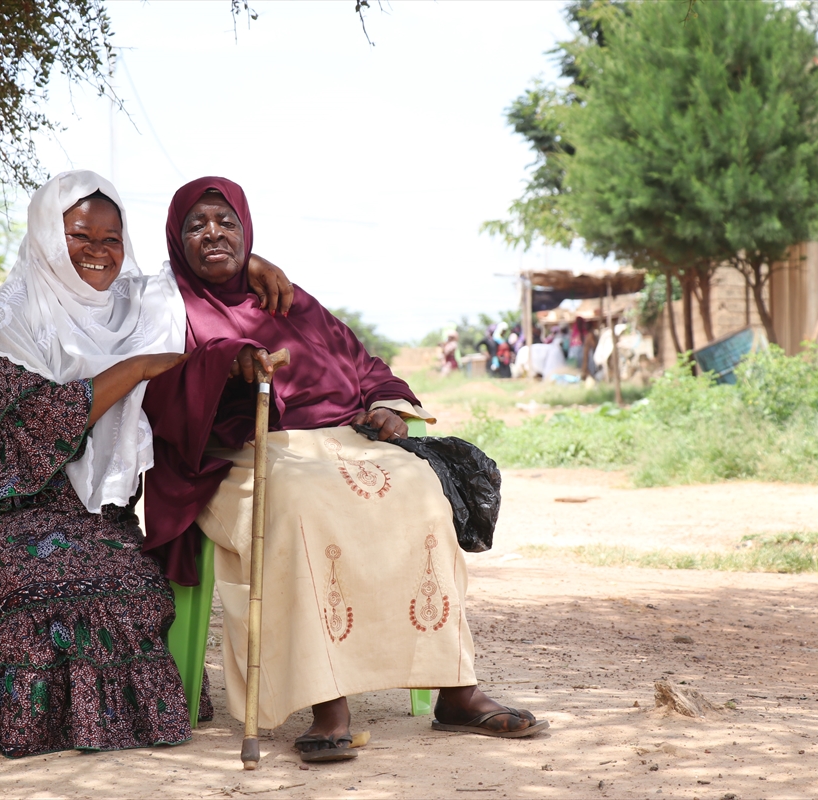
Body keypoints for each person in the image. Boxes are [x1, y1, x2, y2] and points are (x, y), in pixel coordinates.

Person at [0, 171, 293, 760]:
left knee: (136, 599)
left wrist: (249, 264)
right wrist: (134, 369)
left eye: (111, 239)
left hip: (95, 518)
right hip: (6, 514)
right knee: (46, 608)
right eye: (80, 236)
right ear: (49, 235)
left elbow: (186, 277)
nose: (98, 251)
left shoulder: (134, 304)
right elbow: (38, 424)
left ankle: (82, 723)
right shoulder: (12, 318)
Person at [140, 177, 549, 764]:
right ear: (176, 240)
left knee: (421, 488)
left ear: (247, 232)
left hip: (344, 441)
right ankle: (328, 702)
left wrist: (384, 405)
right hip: (241, 453)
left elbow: (360, 362)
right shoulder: (163, 302)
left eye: (226, 223)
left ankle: (456, 690)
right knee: (305, 502)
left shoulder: (288, 298)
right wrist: (223, 361)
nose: (213, 234)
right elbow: (156, 385)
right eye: (196, 225)